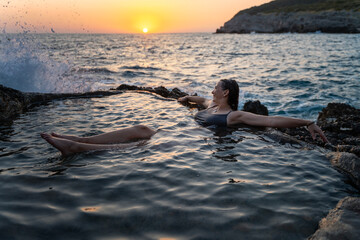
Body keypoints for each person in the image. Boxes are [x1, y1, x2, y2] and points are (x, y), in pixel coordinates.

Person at [178, 79, 329, 143]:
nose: (212, 92)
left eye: (215, 88)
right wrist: (186, 97)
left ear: (225, 93)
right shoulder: (211, 105)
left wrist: (307, 123)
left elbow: (271, 120)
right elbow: (200, 100)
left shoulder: (233, 115)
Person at [41, 125, 156, 156]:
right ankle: (83, 140)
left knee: (143, 144)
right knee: (141, 129)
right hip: (163, 132)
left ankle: (75, 147)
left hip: (167, 138)